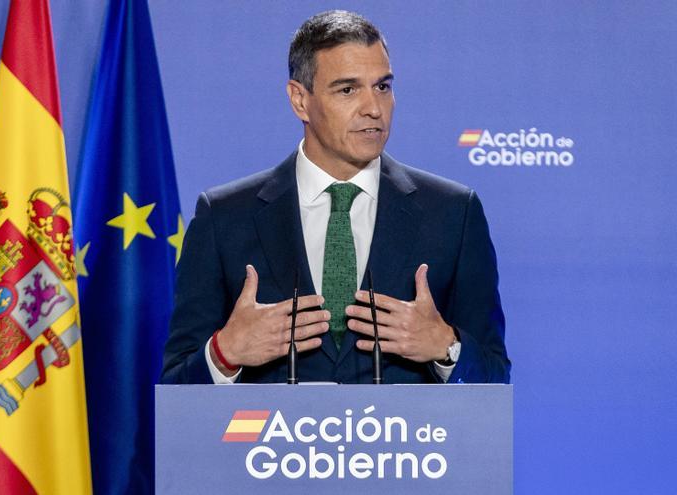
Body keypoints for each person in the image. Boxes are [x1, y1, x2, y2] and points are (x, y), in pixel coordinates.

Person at [161, 10, 510, 384]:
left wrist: (446, 347)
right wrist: (224, 353)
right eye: (347, 90)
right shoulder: (224, 217)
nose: (373, 109)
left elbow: (493, 377)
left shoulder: (453, 214)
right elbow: (176, 390)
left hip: (402, 443)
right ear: (299, 100)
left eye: (383, 87)